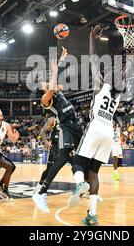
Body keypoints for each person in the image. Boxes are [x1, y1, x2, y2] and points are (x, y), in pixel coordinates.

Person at [67, 25, 127, 226]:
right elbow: (125, 74)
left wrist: (91, 39)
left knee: (76, 162)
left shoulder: (99, 86)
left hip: (96, 127)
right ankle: (92, 215)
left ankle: (79, 184)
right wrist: (133, 57)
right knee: (94, 172)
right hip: (109, 131)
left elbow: (93, 60)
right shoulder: (118, 94)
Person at [32, 46, 83, 214]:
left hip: (74, 126)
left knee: (75, 160)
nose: (45, 83)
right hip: (64, 128)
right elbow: (53, 85)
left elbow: (57, 83)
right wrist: (55, 71)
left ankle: (84, 188)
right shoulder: (45, 98)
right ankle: (41, 192)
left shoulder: (56, 91)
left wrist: (61, 62)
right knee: (61, 160)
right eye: (43, 84)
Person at [33, 117, 58, 195]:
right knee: (49, 169)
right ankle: (39, 186)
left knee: (77, 166)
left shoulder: (70, 119)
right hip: (55, 147)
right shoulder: (53, 120)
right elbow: (42, 132)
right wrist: (46, 141)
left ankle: (86, 189)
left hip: (68, 146)